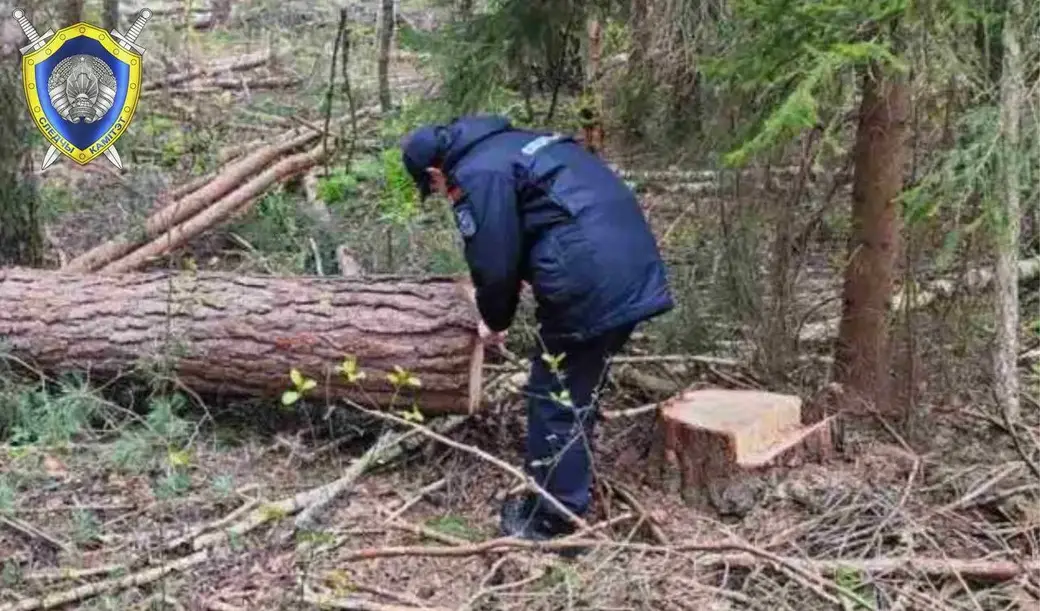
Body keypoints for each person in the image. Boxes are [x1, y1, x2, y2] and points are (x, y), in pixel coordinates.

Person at [400, 114, 673, 543]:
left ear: (436, 171)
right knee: (580, 382)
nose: (439, 193)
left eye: (432, 187)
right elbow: (548, 217)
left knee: (554, 391)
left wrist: (493, 319)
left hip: (592, 278)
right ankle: (572, 479)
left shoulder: (477, 173)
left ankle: (555, 519)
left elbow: (494, 261)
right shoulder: (515, 145)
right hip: (631, 264)